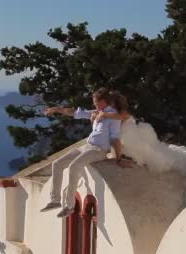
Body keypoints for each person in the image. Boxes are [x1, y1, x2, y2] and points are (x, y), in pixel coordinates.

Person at [40, 88, 129, 218]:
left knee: (74, 166)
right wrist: (56, 109)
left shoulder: (112, 116)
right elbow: (74, 112)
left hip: (99, 150)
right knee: (57, 164)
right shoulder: (96, 112)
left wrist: (119, 158)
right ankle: (55, 200)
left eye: (96, 102)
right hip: (87, 146)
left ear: (104, 101)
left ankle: (69, 206)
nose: (94, 105)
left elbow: (115, 137)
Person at [93, 91, 186, 174]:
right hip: (125, 138)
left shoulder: (121, 113)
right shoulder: (109, 112)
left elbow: (120, 118)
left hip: (131, 138)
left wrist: (104, 115)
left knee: (154, 155)